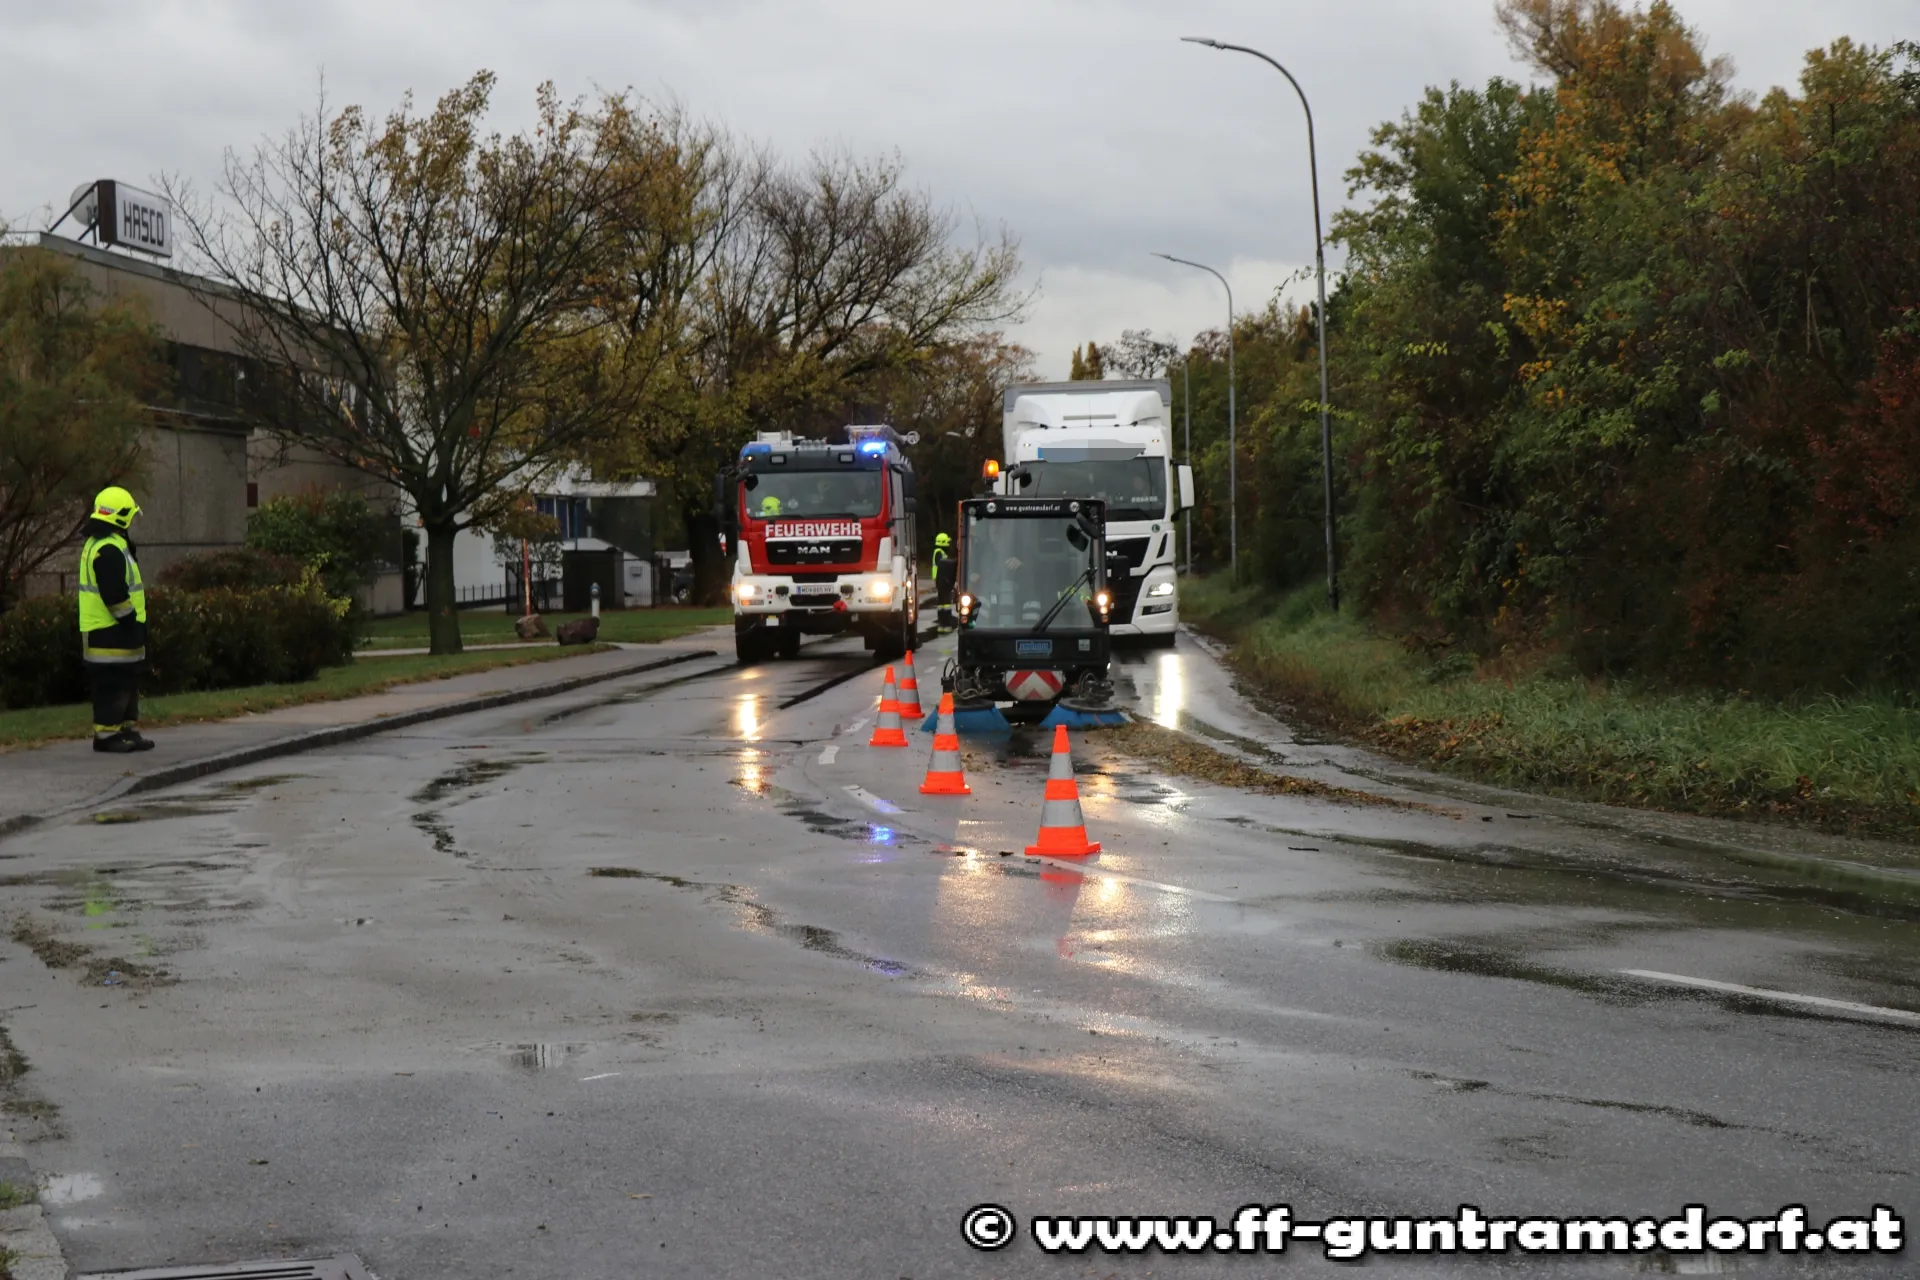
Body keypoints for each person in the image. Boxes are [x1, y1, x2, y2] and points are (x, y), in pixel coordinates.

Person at [78, 486, 154, 753]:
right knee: (112, 685)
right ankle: (106, 736)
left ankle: (126, 730)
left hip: (115, 633)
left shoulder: (107, 544)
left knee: (127, 682)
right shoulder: (108, 549)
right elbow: (114, 595)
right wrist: (131, 621)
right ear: (120, 516)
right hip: (110, 633)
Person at [932, 532, 955, 628]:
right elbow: (943, 564)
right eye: (947, 542)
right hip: (942, 579)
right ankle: (946, 622)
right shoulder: (939, 552)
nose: (949, 544)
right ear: (943, 542)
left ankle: (943, 623)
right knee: (945, 602)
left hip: (941, 579)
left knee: (942, 602)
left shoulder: (940, 552)